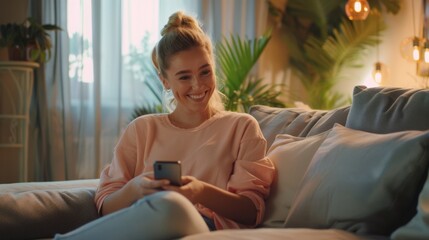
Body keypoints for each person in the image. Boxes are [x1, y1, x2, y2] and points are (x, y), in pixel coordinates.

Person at [55, 11, 274, 240]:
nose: (198, 85)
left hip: (205, 228)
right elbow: (106, 207)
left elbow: (252, 211)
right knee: (163, 205)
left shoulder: (242, 127)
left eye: (205, 72)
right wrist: (135, 189)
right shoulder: (142, 130)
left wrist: (200, 191)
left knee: (171, 206)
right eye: (184, 77)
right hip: (146, 224)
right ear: (165, 81)